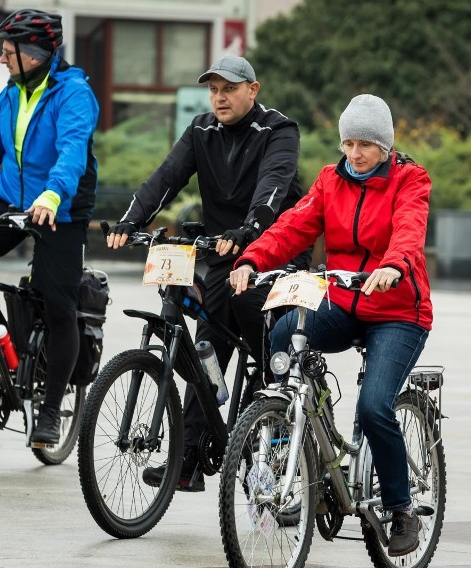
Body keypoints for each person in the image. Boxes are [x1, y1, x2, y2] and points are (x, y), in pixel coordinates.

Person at [230, 94, 433, 557]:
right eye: (348, 142)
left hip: (398, 309)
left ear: (385, 145)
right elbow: (293, 226)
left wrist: (395, 265)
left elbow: (409, 229)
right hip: (344, 300)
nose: (355, 153)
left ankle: (400, 508)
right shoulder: (330, 179)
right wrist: (251, 259)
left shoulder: (410, 180)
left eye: (365, 144)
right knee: (284, 338)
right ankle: (292, 445)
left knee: (374, 406)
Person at [106, 55, 310, 492]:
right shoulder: (201, 130)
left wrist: (250, 230)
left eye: (229, 89)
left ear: (252, 91)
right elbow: (167, 176)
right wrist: (132, 219)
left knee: (267, 349)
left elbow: (272, 188)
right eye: (214, 90)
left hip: (274, 256)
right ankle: (191, 457)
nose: (220, 97)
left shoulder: (279, 130)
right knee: (205, 349)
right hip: (224, 256)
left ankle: (276, 431)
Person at [0, 9, 99, 445]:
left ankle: (49, 410)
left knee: (58, 302)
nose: (2, 59)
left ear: (34, 54)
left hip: (59, 209)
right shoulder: (11, 94)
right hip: (11, 199)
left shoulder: (74, 93)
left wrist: (52, 195)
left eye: (8, 52)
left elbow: (71, 153)